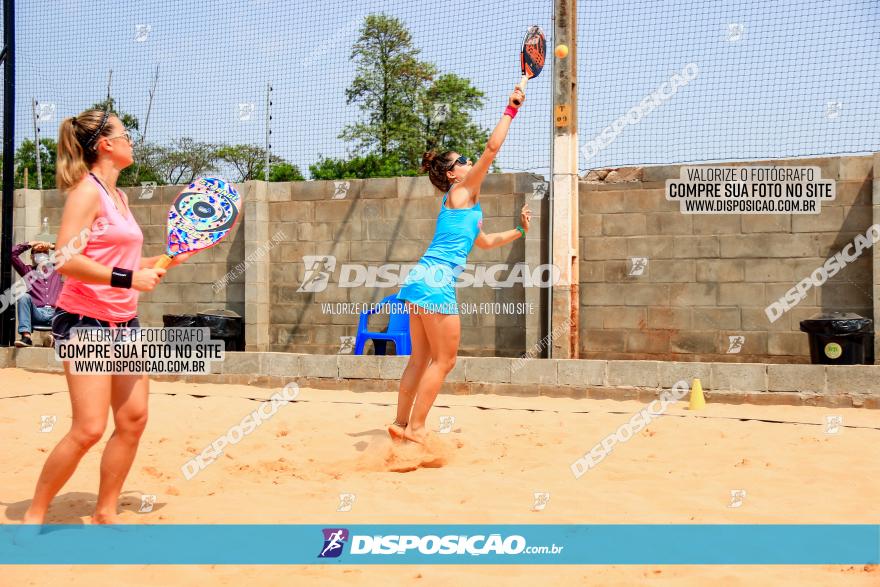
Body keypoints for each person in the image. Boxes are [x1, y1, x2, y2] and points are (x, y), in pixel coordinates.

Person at [22, 108, 190, 525]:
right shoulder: (87, 192)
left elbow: (124, 262)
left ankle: (105, 511)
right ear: (105, 145)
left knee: (133, 420)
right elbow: (64, 258)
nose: (131, 140)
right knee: (89, 429)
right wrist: (128, 277)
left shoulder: (120, 197)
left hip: (124, 324)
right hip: (84, 322)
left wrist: (163, 261)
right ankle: (35, 514)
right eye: (124, 134)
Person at [390, 87, 532, 444]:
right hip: (436, 282)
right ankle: (418, 430)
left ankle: (401, 425)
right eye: (462, 161)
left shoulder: (467, 206)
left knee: (420, 360)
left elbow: (483, 242)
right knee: (445, 362)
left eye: (466, 159)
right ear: (452, 175)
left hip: (420, 278)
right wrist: (510, 110)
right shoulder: (461, 193)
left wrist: (519, 230)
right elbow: (492, 149)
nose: (469, 162)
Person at [12, 240, 62, 347]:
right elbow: (12, 254)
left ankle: (54, 338)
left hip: (55, 313)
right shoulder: (27, 271)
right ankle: (26, 337)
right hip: (37, 313)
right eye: (38, 252)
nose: (41, 255)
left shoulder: (57, 269)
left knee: (69, 298)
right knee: (23, 296)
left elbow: (74, 255)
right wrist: (31, 243)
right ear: (32, 256)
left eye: (44, 252)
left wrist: (51, 245)